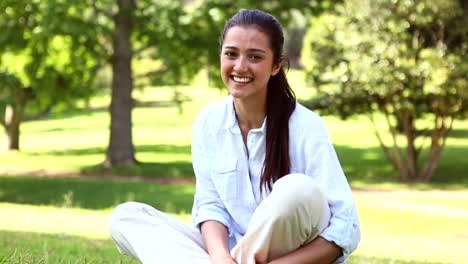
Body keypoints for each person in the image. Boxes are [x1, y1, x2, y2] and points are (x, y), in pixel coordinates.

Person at [108, 9, 360, 264]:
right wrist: (220, 257)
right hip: (228, 252)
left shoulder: (305, 125)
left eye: (254, 57)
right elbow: (210, 206)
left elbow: (345, 226)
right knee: (126, 216)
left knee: (297, 188)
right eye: (231, 54)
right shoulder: (208, 122)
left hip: (291, 256)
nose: (240, 66)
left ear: (276, 66)